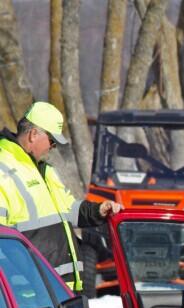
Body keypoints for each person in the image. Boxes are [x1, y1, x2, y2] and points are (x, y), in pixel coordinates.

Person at [0, 101, 122, 293]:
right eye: (52, 140)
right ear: (33, 135)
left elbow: (69, 210)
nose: (53, 147)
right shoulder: (3, 170)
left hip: (64, 292)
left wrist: (98, 210)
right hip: (32, 297)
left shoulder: (44, 170)